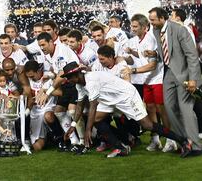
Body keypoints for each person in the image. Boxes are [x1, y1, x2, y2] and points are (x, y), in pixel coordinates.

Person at [62, 62, 192, 158]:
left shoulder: (91, 81)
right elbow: (79, 105)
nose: (68, 80)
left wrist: (88, 130)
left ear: (78, 74)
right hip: (110, 99)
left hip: (126, 95)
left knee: (146, 124)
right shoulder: (79, 84)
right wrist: (73, 125)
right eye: (67, 77)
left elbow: (93, 106)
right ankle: (121, 148)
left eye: (69, 77)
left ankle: (184, 141)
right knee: (96, 119)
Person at [149, 7, 202, 155]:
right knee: (169, 107)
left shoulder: (180, 30)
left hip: (185, 73)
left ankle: (196, 146)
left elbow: (192, 56)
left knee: (185, 108)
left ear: (162, 18)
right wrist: (154, 54)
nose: (151, 23)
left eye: (153, 20)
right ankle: (184, 141)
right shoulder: (156, 31)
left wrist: (193, 79)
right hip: (169, 73)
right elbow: (165, 54)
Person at [122, 13, 175, 152]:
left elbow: (152, 65)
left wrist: (133, 71)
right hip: (146, 80)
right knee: (150, 109)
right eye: (131, 26)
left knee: (161, 110)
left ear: (145, 27)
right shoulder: (138, 40)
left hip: (157, 79)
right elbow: (141, 56)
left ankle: (171, 140)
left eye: (135, 26)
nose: (132, 29)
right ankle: (156, 139)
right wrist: (129, 54)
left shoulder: (151, 39)